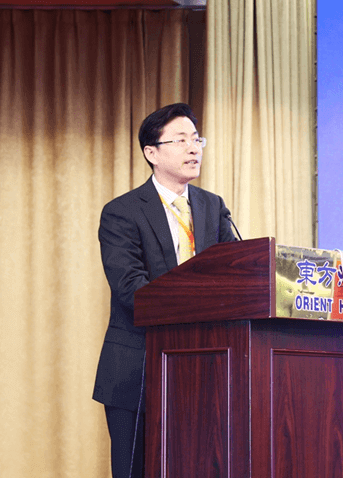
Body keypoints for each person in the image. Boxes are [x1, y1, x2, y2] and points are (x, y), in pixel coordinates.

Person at [92, 103, 237, 478]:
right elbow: (130, 289)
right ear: (152, 153)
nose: (194, 148)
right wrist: (193, 304)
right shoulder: (122, 212)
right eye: (181, 140)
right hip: (138, 370)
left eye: (197, 139)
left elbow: (233, 273)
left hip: (204, 369)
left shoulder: (212, 207)